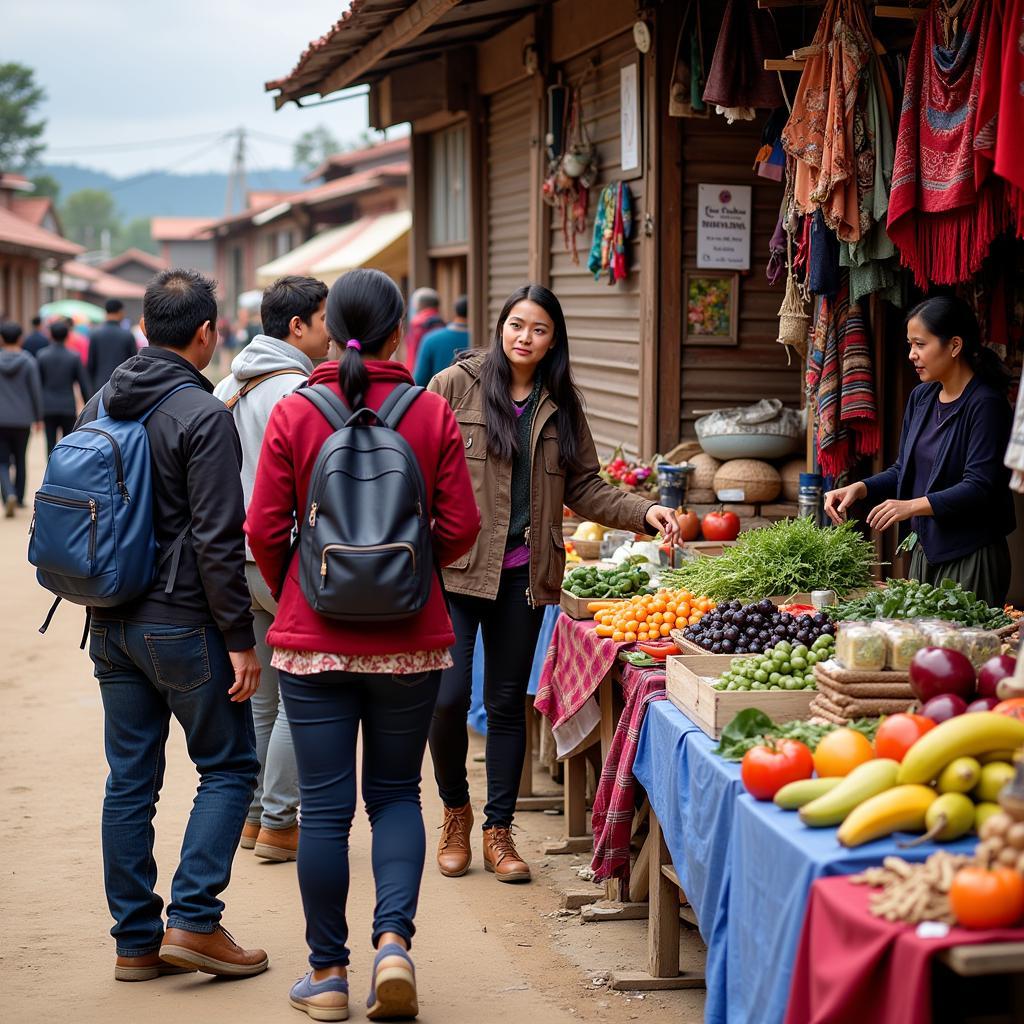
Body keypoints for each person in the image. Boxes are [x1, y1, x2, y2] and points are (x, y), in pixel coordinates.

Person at [247, 268, 480, 1022]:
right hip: (411, 645)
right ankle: (392, 947)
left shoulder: (298, 410)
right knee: (393, 797)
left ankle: (328, 975)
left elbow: (261, 529)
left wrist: (305, 590)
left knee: (322, 812)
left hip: (312, 644)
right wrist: (407, 583)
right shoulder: (427, 411)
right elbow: (461, 529)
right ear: (394, 333)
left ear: (329, 323)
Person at [425, 284, 681, 884]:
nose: (524, 337)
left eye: (538, 329)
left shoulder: (560, 404)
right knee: (445, 698)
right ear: (500, 326)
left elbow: (586, 485)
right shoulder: (452, 387)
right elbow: (417, 469)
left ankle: (498, 829)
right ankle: (456, 812)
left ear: (553, 340)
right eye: (516, 324)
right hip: (456, 569)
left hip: (524, 576)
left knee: (507, 704)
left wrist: (645, 511)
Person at [77, 269, 267, 982]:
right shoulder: (202, 413)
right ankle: (193, 921)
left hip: (108, 620)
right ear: (206, 334)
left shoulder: (100, 403)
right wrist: (240, 641)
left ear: (143, 328)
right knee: (227, 766)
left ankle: (134, 941)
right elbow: (220, 540)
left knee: (129, 779)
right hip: (183, 624)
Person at [214, 274, 330, 863]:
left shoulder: (227, 387)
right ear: (298, 326)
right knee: (299, 696)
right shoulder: (300, 392)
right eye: (325, 319)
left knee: (262, 698)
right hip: (283, 560)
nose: (332, 333)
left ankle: (257, 818)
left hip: (232, 564)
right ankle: (282, 823)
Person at [824, 295, 1015, 607]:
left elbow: (979, 487)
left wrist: (911, 507)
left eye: (920, 344)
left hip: (971, 556)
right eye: (910, 344)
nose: (912, 355)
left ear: (954, 346)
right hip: (926, 552)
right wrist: (860, 488)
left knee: (962, 652)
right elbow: (904, 469)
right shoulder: (921, 398)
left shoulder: (985, 405)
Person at [0, 321, 42, 516]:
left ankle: (7, 493)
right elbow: (35, 391)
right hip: (23, 418)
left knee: (2, 461)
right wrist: (39, 416)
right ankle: (18, 497)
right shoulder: (28, 361)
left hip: (1, 419)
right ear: (20, 338)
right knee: (20, 458)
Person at [37, 320, 92, 454]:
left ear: (50, 335)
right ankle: (65, 471)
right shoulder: (73, 356)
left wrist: (37, 410)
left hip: (48, 406)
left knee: (50, 442)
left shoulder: (42, 355)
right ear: (67, 335)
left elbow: (37, 384)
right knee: (68, 443)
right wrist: (89, 408)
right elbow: (84, 384)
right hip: (68, 405)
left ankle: (51, 470)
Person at [413, 294, 470, 386]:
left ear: (455, 312)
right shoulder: (481, 339)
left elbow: (420, 379)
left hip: (438, 396)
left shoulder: (430, 339)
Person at [88, 299, 137, 392]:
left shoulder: (95, 334)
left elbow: (91, 365)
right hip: (121, 386)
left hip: (99, 387)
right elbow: (134, 364)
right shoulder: (127, 335)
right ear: (120, 312)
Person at [403, 287, 443, 372]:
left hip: (418, 373)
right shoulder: (441, 322)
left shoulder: (417, 323)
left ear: (419, 305)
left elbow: (413, 353)